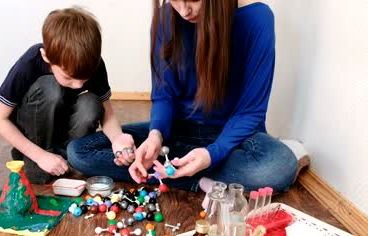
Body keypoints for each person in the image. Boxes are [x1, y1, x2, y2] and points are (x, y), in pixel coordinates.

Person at [68, 0, 309, 196]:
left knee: (278, 168)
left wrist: (211, 154)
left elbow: (250, 112)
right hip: (177, 132)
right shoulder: (165, 17)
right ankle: (200, 178)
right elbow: (164, 95)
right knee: (80, 152)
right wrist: (155, 135)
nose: (183, 10)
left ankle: (178, 170)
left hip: (234, 137)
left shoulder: (257, 19)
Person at [0, 7, 135, 184]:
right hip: (36, 138)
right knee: (51, 87)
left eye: (84, 78)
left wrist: (117, 139)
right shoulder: (29, 63)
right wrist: (41, 156)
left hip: (65, 127)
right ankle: (39, 158)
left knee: (92, 102)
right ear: (46, 56)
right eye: (69, 78)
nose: (78, 85)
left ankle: (67, 156)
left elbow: (108, 113)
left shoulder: (93, 63)